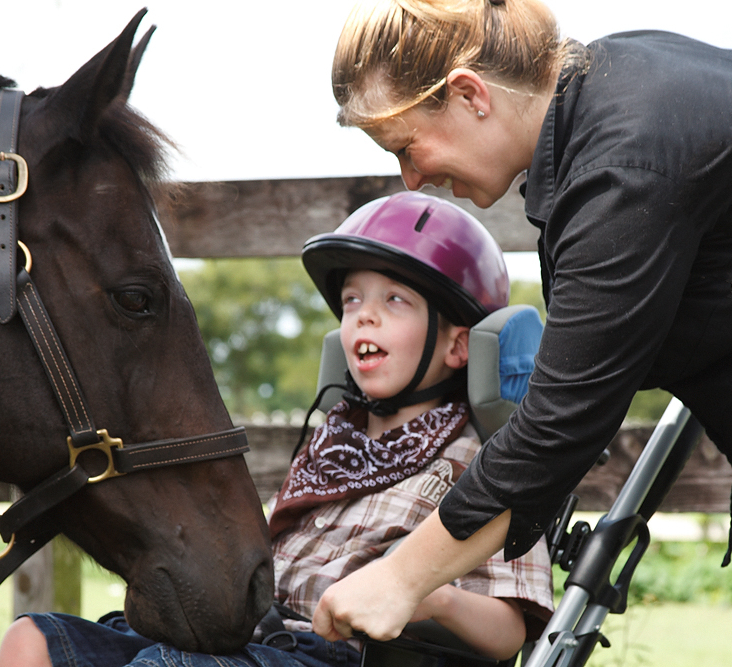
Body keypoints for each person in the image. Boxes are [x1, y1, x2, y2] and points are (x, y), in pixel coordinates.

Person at [313, 0, 732, 647]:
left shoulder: (623, 162)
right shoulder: (614, 89)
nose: (413, 178)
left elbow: (558, 425)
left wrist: (400, 577)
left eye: (406, 147)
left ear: (470, 94)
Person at [0, 191, 554, 666]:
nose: (364, 315)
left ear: (460, 344)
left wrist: (427, 596)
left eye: (396, 301)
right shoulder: (332, 444)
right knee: (34, 641)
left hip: (340, 653)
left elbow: (509, 631)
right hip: (257, 636)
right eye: (352, 299)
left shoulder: (485, 465)